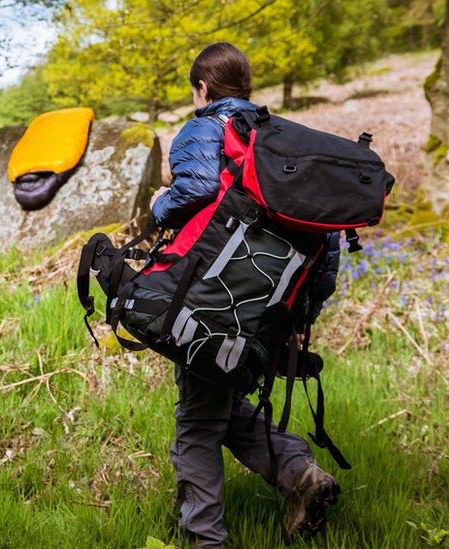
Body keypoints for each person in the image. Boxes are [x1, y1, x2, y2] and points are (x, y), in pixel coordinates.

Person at [150, 42, 342, 547]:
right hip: (268, 307)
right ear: (248, 86)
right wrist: (302, 315)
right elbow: (327, 239)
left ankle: (205, 539)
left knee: (196, 421)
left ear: (203, 88)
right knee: (223, 406)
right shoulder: (280, 140)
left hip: (213, 302)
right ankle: (302, 477)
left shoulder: (204, 128)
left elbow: (192, 193)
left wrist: (157, 203)